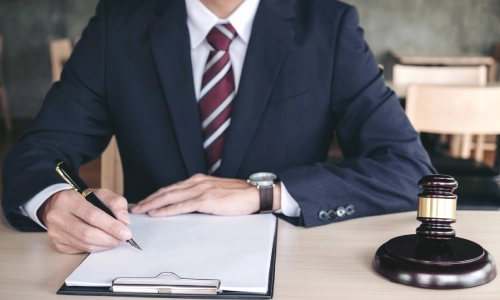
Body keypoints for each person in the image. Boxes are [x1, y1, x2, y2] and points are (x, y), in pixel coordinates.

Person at [1, 0, 435, 254]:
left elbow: (410, 172)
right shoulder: (120, 23)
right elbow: (37, 152)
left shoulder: (328, 25)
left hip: (291, 267)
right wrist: (52, 201)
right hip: (147, 266)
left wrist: (267, 192)